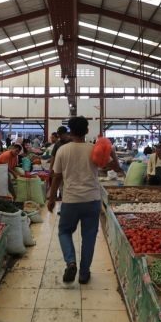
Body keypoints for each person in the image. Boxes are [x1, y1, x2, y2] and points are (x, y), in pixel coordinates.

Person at [47, 116, 123, 284]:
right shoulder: (94, 149)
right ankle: (83, 273)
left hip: (70, 200)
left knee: (64, 232)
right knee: (89, 237)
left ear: (70, 131)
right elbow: (115, 168)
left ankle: (71, 262)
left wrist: (51, 198)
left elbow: (57, 177)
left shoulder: (62, 150)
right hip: (92, 200)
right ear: (87, 130)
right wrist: (112, 153)